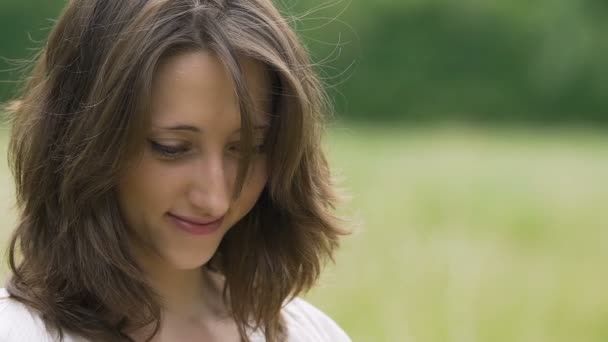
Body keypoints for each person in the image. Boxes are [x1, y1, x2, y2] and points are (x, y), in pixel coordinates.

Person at [0, 0, 351, 341]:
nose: (216, 199)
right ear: (82, 141)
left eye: (248, 149)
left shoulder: (310, 333)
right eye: (172, 148)